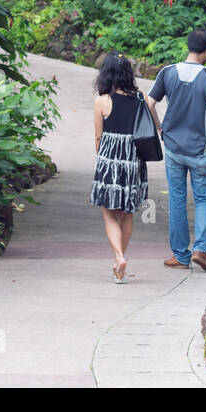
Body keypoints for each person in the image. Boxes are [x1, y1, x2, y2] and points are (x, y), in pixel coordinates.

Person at [146, 28, 206, 272]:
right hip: (200, 151)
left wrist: (160, 129)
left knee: (177, 200)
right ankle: (201, 250)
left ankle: (181, 256)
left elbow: (149, 102)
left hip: (173, 148)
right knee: (203, 198)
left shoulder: (168, 72)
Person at [90, 51, 156, 283]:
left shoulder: (102, 102)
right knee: (126, 215)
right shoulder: (142, 100)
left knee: (109, 213)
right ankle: (120, 265)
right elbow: (154, 127)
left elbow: (98, 137)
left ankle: (118, 257)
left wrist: (103, 163)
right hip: (134, 162)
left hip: (110, 162)